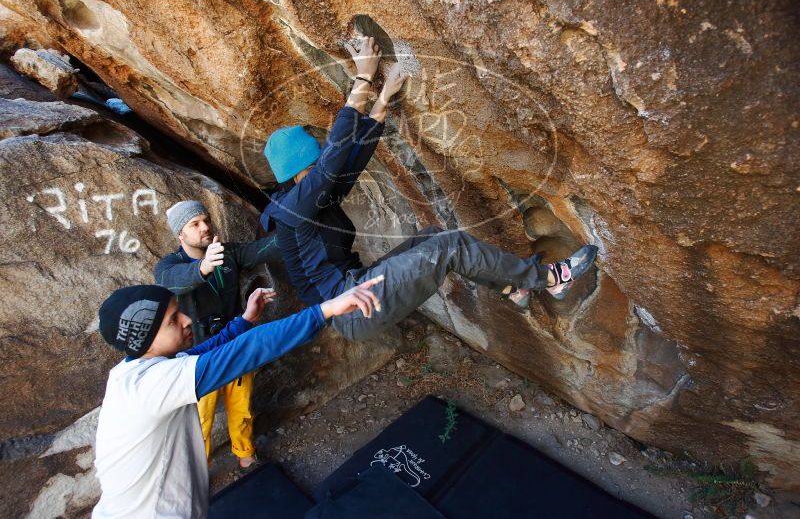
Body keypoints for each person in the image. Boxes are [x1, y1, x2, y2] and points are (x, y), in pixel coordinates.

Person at [260, 36, 598, 343]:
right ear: (297, 176)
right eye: (312, 167)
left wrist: (385, 94)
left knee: (432, 236)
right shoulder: (292, 208)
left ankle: (514, 285)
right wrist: (362, 77)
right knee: (448, 247)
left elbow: (351, 158)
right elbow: (334, 157)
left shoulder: (311, 197)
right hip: (350, 308)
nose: (321, 169)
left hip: (357, 288)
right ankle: (551, 277)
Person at [93, 278, 383, 518]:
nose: (185, 319)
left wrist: (244, 320)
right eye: (172, 319)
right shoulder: (153, 386)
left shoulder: (132, 371)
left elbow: (204, 352)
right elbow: (250, 349)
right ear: (145, 337)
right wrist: (325, 310)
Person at [153, 200, 278, 468]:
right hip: (198, 356)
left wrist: (300, 228)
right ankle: (199, 471)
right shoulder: (169, 266)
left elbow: (265, 249)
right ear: (180, 234)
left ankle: (245, 455)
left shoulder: (227, 253)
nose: (205, 227)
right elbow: (170, 281)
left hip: (235, 341)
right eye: (194, 224)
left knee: (241, 406)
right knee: (201, 418)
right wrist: (203, 267)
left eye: (206, 220)